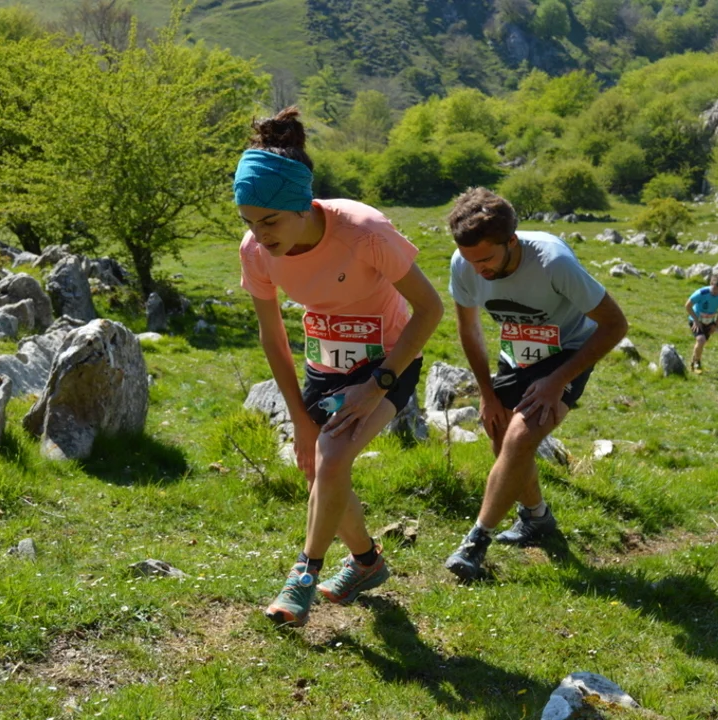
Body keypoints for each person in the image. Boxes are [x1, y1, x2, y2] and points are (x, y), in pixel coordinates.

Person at [236, 108, 443, 625]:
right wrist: (299, 420)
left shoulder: (364, 231)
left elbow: (430, 308)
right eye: (249, 222)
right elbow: (272, 336)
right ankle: (367, 563)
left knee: (331, 457)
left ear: (301, 205)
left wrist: (377, 386)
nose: (259, 235)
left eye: (269, 221)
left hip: (389, 361)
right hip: (324, 364)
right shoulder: (256, 252)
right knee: (319, 466)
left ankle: (303, 575)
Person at [443, 187, 628, 581]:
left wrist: (557, 380)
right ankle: (537, 517)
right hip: (517, 351)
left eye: (486, 259)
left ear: (511, 241)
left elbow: (616, 325)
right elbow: (469, 329)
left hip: (568, 350)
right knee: (501, 436)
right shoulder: (464, 262)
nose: (478, 270)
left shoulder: (553, 262)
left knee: (519, 438)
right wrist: (487, 395)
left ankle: (476, 542)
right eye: (470, 260)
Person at [685, 274, 718, 374]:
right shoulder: (701, 293)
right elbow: (687, 306)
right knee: (701, 340)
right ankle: (697, 363)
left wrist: (715, 324)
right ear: (710, 283)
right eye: (713, 289)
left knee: (701, 343)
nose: (715, 292)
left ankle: (693, 362)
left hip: (709, 322)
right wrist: (696, 321)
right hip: (696, 320)